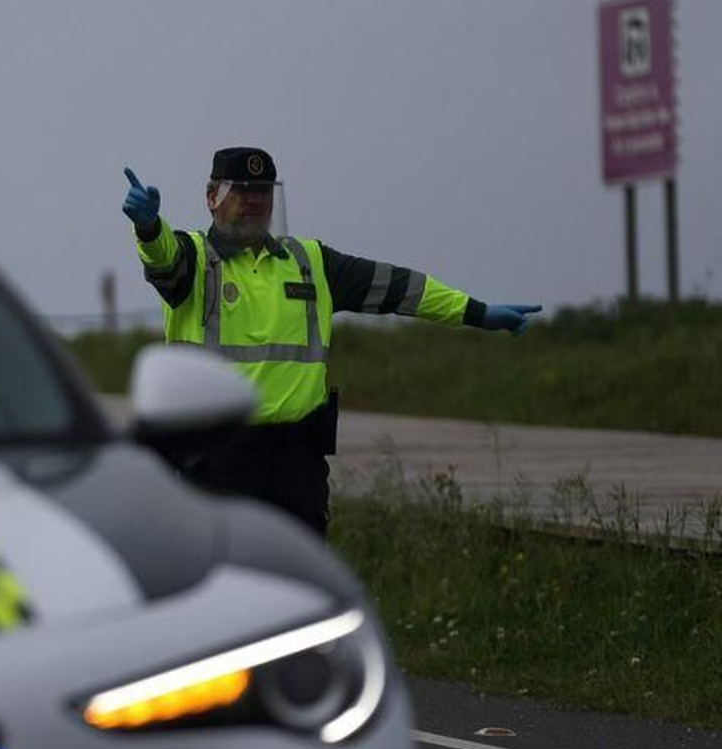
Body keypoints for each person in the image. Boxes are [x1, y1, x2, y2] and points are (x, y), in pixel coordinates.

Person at [122, 147, 540, 536]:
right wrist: (149, 228)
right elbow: (165, 261)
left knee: (303, 583)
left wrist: (476, 312)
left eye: (262, 191)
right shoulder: (196, 260)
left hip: (296, 466)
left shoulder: (310, 263)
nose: (253, 200)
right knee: (223, 584)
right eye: (241, 190)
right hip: (214, 463)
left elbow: (399, 288)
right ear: (212, 197)